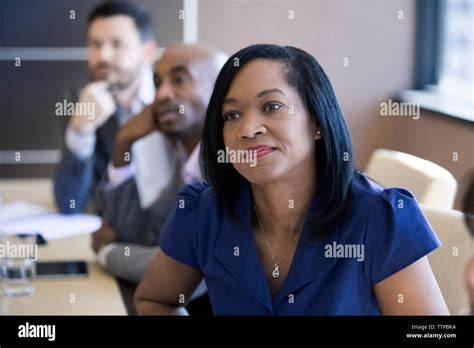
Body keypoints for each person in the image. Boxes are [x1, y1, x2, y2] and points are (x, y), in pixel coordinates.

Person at [135, 44, 449, 315]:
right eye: (232, 115)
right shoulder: (203, 212)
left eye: (271, 107)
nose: (247, 129)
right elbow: (155, 299)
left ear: (316, 121)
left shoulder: (382, 219)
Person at [91, 44, 227, 285]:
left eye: (179, 80)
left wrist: (107, 253)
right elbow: (147, 234)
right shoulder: (188, 161)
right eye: (157, 82)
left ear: (221, 94)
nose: (161, 94)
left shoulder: (231, 167)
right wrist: (123, 142)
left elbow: (182, 268)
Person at [54, 1, 157, 214]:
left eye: (117, 44)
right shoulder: (80, 102)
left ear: (147, 53)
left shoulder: (171, 99)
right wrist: (80, 130)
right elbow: (69, 204)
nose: (103, 56)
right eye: (95, 44)